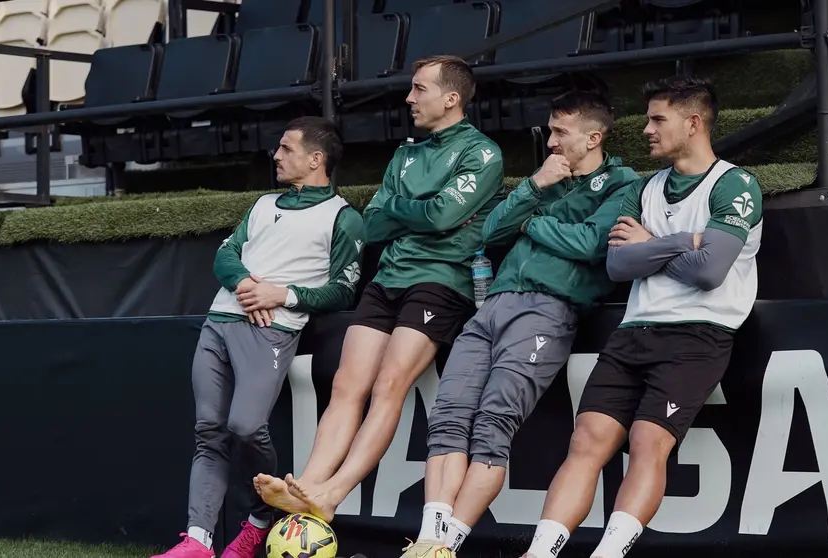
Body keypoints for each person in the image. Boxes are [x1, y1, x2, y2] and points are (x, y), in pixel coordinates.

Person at [519, 75, 763, 558]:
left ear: (693, 123)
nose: (647, 130)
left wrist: (648, 245)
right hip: (633, 331)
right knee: (586, 440)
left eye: (658, 120)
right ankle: (540, 553)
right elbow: (617, 263)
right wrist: (677, 244)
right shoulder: (645, 186)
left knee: (649, 442)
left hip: (699, 334)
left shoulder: (734, 183)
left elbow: (711, 271)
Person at [254, 54, 505, 523]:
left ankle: (333, 494)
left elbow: (440, 216)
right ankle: (306, 486)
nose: (409, 98)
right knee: (347, 386)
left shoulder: (482, 152)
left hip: (441, 281)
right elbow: (372, 222)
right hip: (387, 278)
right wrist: (422, 210)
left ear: (451, 99)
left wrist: (409, 209)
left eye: (419, 89)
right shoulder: (404, 154)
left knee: (390, 386)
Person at [403, 90, 641, 558]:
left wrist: (531, 222)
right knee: (448, 420)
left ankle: (446, 546)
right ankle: (430, 541)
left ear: (593, 138)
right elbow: (489, 232)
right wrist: (534, 188)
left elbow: (593, 244)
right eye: (550, 130)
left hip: (548, 311)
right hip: (492, 305)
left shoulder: (623, 183)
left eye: (560, 133)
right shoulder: (545, 178)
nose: (550, 141)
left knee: (492, 426)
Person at [153, 116, 365, 558]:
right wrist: (249, 285)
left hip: (272, 333)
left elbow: (343, 289)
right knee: (209, 431)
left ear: (316, 159)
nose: (276, 155)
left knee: (245, 426)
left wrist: (281, 294)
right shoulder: (263, 204)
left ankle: (259, 520)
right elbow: (225, 253)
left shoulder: (343, 219)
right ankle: (197, 540)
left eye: (286, 148)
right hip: (218, 322)